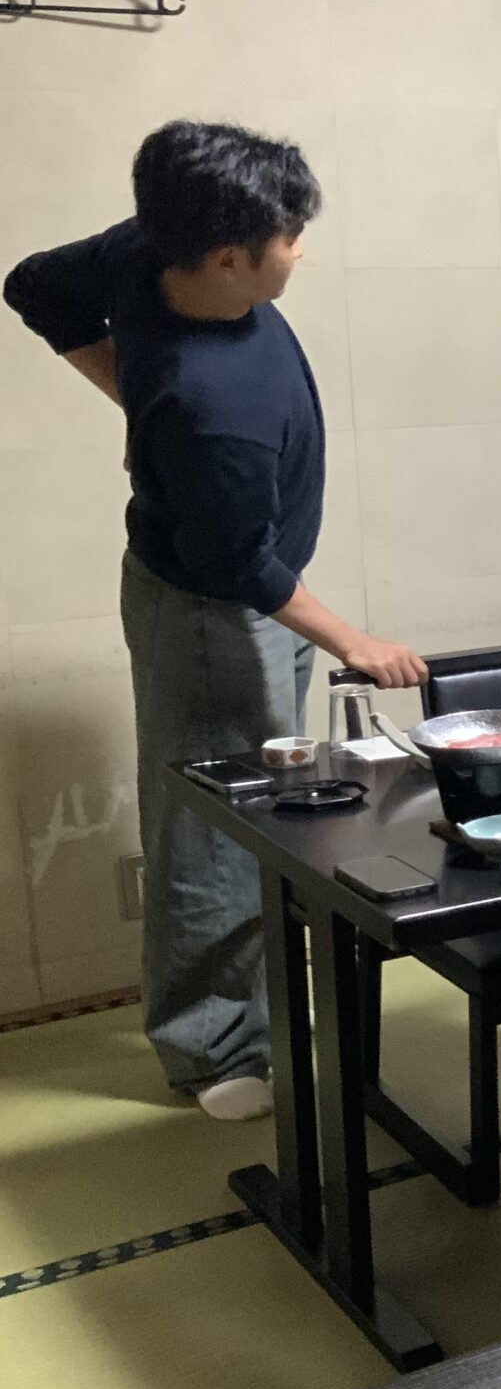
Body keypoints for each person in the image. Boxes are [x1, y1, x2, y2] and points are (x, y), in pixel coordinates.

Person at [4, 123, 428, 1122]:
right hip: (213, 613)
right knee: (216, 830)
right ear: (229, 257)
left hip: (229, 585)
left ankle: (246, 1014)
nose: (301, 251)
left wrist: (133, 400)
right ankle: (212, 1051)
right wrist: (352, 641)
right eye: (289, 236)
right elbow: (240, 566)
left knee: (257, 812)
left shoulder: (149, 247)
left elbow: (32, 285)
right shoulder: (206, 404)